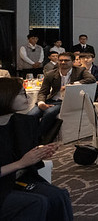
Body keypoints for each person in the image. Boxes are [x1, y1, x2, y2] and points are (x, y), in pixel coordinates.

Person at [0, 77, 73, 220]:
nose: (27, 97)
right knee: (37, 202)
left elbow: (20, 155)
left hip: (17, 179)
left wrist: (39, 152)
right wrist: (21, 163)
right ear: (5, 97)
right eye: (21, 93)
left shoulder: (21, 123)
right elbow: (20, 161)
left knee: (59, 196)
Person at [27, 52, 96, 142]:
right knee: (31, 115)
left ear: (73, 61)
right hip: (51, 100)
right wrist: (41, 103)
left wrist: (71, 85)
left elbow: (92, 79)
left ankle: (37, 137)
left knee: (49, 112)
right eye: (61, 60)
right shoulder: (50, 74)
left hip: (64, 101)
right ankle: (28, 135)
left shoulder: (80, 71)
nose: (63, 62)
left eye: (66, 60)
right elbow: (43, 92)